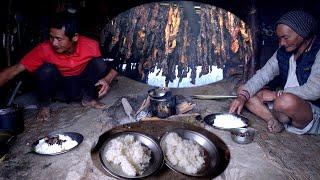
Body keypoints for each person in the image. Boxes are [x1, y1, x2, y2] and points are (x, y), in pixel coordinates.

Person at [0, 13, 118, 121]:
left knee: (99, 62)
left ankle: (88, 99)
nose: (54, 43)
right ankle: (45, 106)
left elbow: (118, 62)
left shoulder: (91, 45)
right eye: (51, 37)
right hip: (61, 90)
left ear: (75, 37)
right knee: (45, 70)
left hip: (83, 85)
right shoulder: (44, 49)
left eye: (59, 39)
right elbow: (14, 70)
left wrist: (107, 79)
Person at [229, 11, 320, 135]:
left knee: (285, 101)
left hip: (307, 111)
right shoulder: (283, 52)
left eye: (286, 37)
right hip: (281, 104)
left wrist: (276, 94)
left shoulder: (317, 53)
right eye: (279, 38)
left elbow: (314, 90)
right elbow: (262, 75)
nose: (282, 43)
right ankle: (273, 120)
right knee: (243, 90)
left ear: (302, 34)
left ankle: (282, 115)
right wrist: (241, 97)